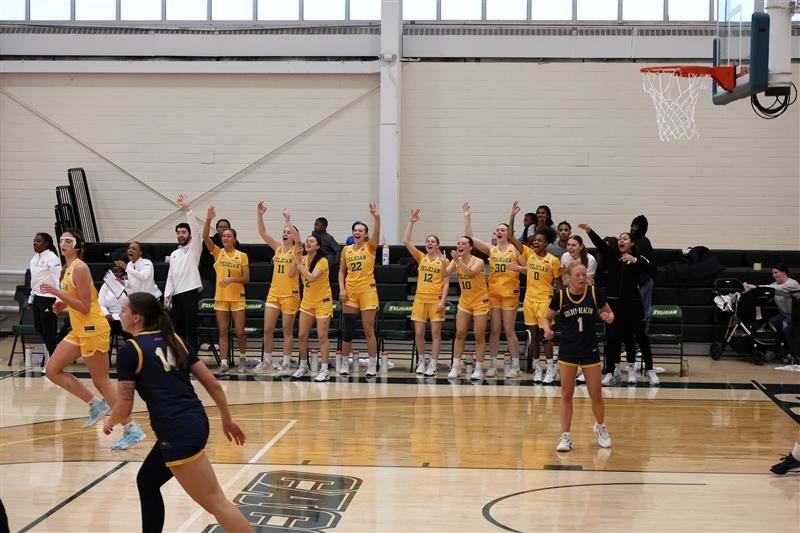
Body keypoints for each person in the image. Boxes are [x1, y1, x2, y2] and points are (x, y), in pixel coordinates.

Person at [104, 292, 250, 532]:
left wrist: (109, 421)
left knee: (216, 502)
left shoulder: (131, 350)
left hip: (176, 431)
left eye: (123, 310)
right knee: (148, 481)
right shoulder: (175, 340)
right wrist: (227, 419)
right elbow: (212, 383)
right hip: (195, 421)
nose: (120, 315)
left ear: (137, 318)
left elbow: (124, 406)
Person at [41, 229, 145, 450]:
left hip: (92, 328)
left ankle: (132, 428)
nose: (63, 243)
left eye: (68, 240)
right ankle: (95, 405)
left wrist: (58, 295)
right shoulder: (66, 268)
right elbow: (77, 299)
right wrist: (63, 304)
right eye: (61, 240)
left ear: (78, 246)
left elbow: (86, 306)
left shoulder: (80, 267)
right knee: (52, 369)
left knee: (102, 381)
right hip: (79, 329)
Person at [543, 262, 615, 452]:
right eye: (578, 275)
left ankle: (600, 427)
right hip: (568, 349)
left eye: (584, 275)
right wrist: (547, 329)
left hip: (589, 348)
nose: (582, 278)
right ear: (568, 278)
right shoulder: (560, 297)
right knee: (566, 393)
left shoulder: (594, 293)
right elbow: (546, 317)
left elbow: (609, 313)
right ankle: (566, 436)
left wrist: (608, 317)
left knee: (596, 393)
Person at [579, 223, 659, 386]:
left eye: (625, 238)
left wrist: (635, 260)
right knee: (612, 337)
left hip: (633, 304)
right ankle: (611, 372)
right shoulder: (612, 255)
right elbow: (600, 245)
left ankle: (649, 370)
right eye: (620, 238)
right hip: (614, 305)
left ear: (632, 243)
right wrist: (589, 231)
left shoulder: (638, 257)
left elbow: (653, 269)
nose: (621, 240)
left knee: (640, 337)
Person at [463, 202, 521, 378]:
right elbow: (470, 238)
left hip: (510, 294)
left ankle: (515, 366)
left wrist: (519, 269)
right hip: (494, 293)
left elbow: (529, 267)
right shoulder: (492, 249)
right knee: (495, 329)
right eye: (498, 230)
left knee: (509, 329)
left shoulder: (514, 249)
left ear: (508, 233)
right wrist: (468, 218)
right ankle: (493, 364)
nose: (499, 231)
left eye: (503, 229)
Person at [509, 202, 562, 384]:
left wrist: (558, 303)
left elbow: (559, 284)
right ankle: (538, 368)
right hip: (530, 300)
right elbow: (510, 236)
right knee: (534, 335)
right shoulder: (529, 254)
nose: (536, 242)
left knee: (547, 336)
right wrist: (513, 216)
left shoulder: (553, 261)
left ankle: (551, 368)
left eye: (540, 241)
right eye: (535, 240)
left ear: (547, 243)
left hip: (545, 301)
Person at [253, 202, 300, 375]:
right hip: (274, 293)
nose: (285, 234)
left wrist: (289, 221)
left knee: (287, 330)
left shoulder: (297, 249)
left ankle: (286, 362)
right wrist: (260, 215)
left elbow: (299, 238)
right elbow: (262, 233)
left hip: (290, 294)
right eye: (284, 232)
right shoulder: (278, 248)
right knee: (267, 329)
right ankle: (267, 361)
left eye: (288, 232)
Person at [203, 206, 250, 376]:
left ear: (235, 239)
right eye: (223, 235)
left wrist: (232, 279)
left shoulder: (241, 255)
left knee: (239, 332)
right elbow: (204, 237)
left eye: (229, 235)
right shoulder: (217, 253)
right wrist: (208, 219)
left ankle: (243, 360)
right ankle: (223, 364)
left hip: (237, 297)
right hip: (221, 297)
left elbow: (246, 278)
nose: (225, 237)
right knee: (222, 331)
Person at [402, 209, 449, 377]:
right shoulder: (421, 257)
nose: (429, 243)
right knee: (419, 333)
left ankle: (433, 364)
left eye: (432, 241)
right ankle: (422, 360)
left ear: (437, 245)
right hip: (420, 299)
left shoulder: (444, 260)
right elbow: (406, 240)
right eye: (427, 241)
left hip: (435, 300)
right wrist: (412, 222)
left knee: (436, 334)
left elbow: (446, 283)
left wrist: (443, 301)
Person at [338, 205, 384, 376]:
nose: (357, 233)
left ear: (365, 234)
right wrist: (342, 289)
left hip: (367, 291)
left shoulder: (370, 247)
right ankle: (344, 363)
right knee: (347, 329)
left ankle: (372, 364)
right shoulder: (346, 250)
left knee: (368, 330)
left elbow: (377, 234)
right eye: (355, 230)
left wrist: (377, 218)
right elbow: (342, 271)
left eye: (360, 231)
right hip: (350, 291)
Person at [443, 236, 490, 380]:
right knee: (460, 333)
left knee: (479, 335)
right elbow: (444, 274)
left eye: (463, 243)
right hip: (465, 301)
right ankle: (456, 367)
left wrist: (457, 261)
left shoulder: (479, 261)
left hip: (480, 301)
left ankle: (478, 369)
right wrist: (442, 263)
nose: (459, 245)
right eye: (458, 243)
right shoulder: (455, 260)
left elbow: (469, 272)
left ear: (470, 247)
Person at [164, 194, 203, 351]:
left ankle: (192, 359)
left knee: (190, 329)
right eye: (178, 232)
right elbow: (171, 277)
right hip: (176, 295)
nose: (181, 235)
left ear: (189, 235)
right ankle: (179, 356)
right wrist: (167, 295)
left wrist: (187, 209)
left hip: (190, 293)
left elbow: (196, 229)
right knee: (177, 330)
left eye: (184, 232)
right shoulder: (174, 253)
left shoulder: (194, 250)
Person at [293, 234, 334, 381]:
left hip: (323, 302)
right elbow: (292, 274)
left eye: (312, 241)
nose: (308, 243)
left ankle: (324, 369)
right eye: (307, 241)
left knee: (322, 336)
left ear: (318, 246)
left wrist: (299, 265)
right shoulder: (303, 259)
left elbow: (311, 277)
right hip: (307, 302)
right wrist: (296, 259)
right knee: (302, 335)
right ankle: (303, 366)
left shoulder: (323, 261)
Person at [744, 264, 800, 357]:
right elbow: (768, 292)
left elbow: (777, 289)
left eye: (776, 272)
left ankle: (794, 352)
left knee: (786, 325)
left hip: (795, 314)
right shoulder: (774, 285)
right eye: (772, 273)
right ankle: (775, 350)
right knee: (771, 323)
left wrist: (756, 287)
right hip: (783, 314)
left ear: (784, 273)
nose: (774, 275)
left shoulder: (792, 284)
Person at [28, 232, 61, 357]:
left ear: (46, 243)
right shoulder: (34, 258)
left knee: (49, 330)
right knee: (38, 326)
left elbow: (58, 280)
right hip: (37, 298)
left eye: (38, 241)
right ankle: (54, 353)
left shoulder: (52, 258)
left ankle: (54, 360)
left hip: (49, 298)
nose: (35, 243)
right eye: (34, 241)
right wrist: (31, 298)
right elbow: (35, 280)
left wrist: (58, 299)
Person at [198, 218, 237, 299]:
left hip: (227, 277)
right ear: (216, 229)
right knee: (208, 299)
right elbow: (205, 237)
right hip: (209, 274)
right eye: (220, 226)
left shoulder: (235, 245)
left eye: (225, 226)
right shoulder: (214, 246)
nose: (223, 228)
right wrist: (208, 219)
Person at [98, 265, 131, 342]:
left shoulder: (128, 285)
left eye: (119, 272)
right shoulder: (105, 286)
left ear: (123, 273)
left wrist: (124, 283)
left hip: (125, 317)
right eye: (114, 272)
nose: (116, 274)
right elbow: (101, 304)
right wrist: (106, 314)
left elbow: (132, 301)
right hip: (111, 317)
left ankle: (130, 348)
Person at [630, 215, 655, 312]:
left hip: (644, 282)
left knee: (644, 311)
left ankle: (645, 326)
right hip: (631, 282)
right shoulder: (629, 240)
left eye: (636, 226)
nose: (633, 228)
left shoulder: (644, 242)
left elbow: (651, 265)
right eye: (632, 225)